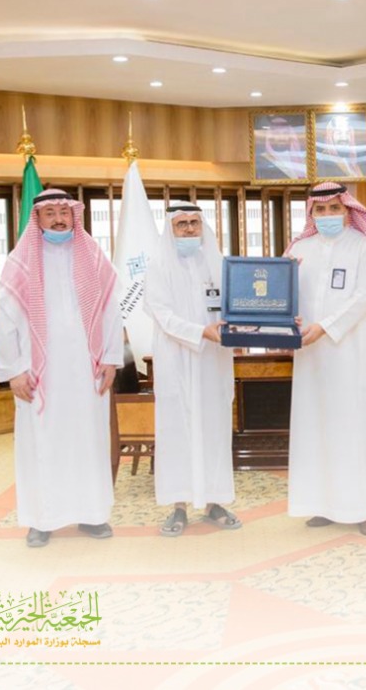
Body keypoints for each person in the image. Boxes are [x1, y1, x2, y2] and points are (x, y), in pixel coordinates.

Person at [0, 188, 122, 547]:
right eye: (50, 213)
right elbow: (6, 320)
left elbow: (111, 311)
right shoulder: (20, 262)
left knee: (88, 441)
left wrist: (111, 358)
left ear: (74, 215)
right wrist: (13, 370)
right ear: (37, 218)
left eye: (64, 212)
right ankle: (41, 519)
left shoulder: (93, 256)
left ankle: (92, 515)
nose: (59, 219)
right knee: (42, 442)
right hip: (37, 373)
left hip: (87, 371)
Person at [286, 182, 366, 536]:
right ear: (311, 213)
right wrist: (289, 319)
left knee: (358, 426)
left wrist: (325, 326)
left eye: (334, 208)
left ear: (348, 210)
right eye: (320, 209)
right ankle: (323, 504)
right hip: (313, 356)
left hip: (356, 354)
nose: (327, 215)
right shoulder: (299, 249)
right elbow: (285, 295)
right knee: (317, 427)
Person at [145, 201, 240, 537]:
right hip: (176, 360)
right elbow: (163, 316)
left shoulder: (219, 264)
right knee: (177, 432)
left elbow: (237, 305)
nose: (188, 229)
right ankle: (178, 506)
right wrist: (200, 332)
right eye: (181, 224)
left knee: (215, 429)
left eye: (194, 223)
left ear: (203, 226)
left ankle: (215, 502)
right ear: (170, 229)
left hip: (213, 360)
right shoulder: (158, 267)